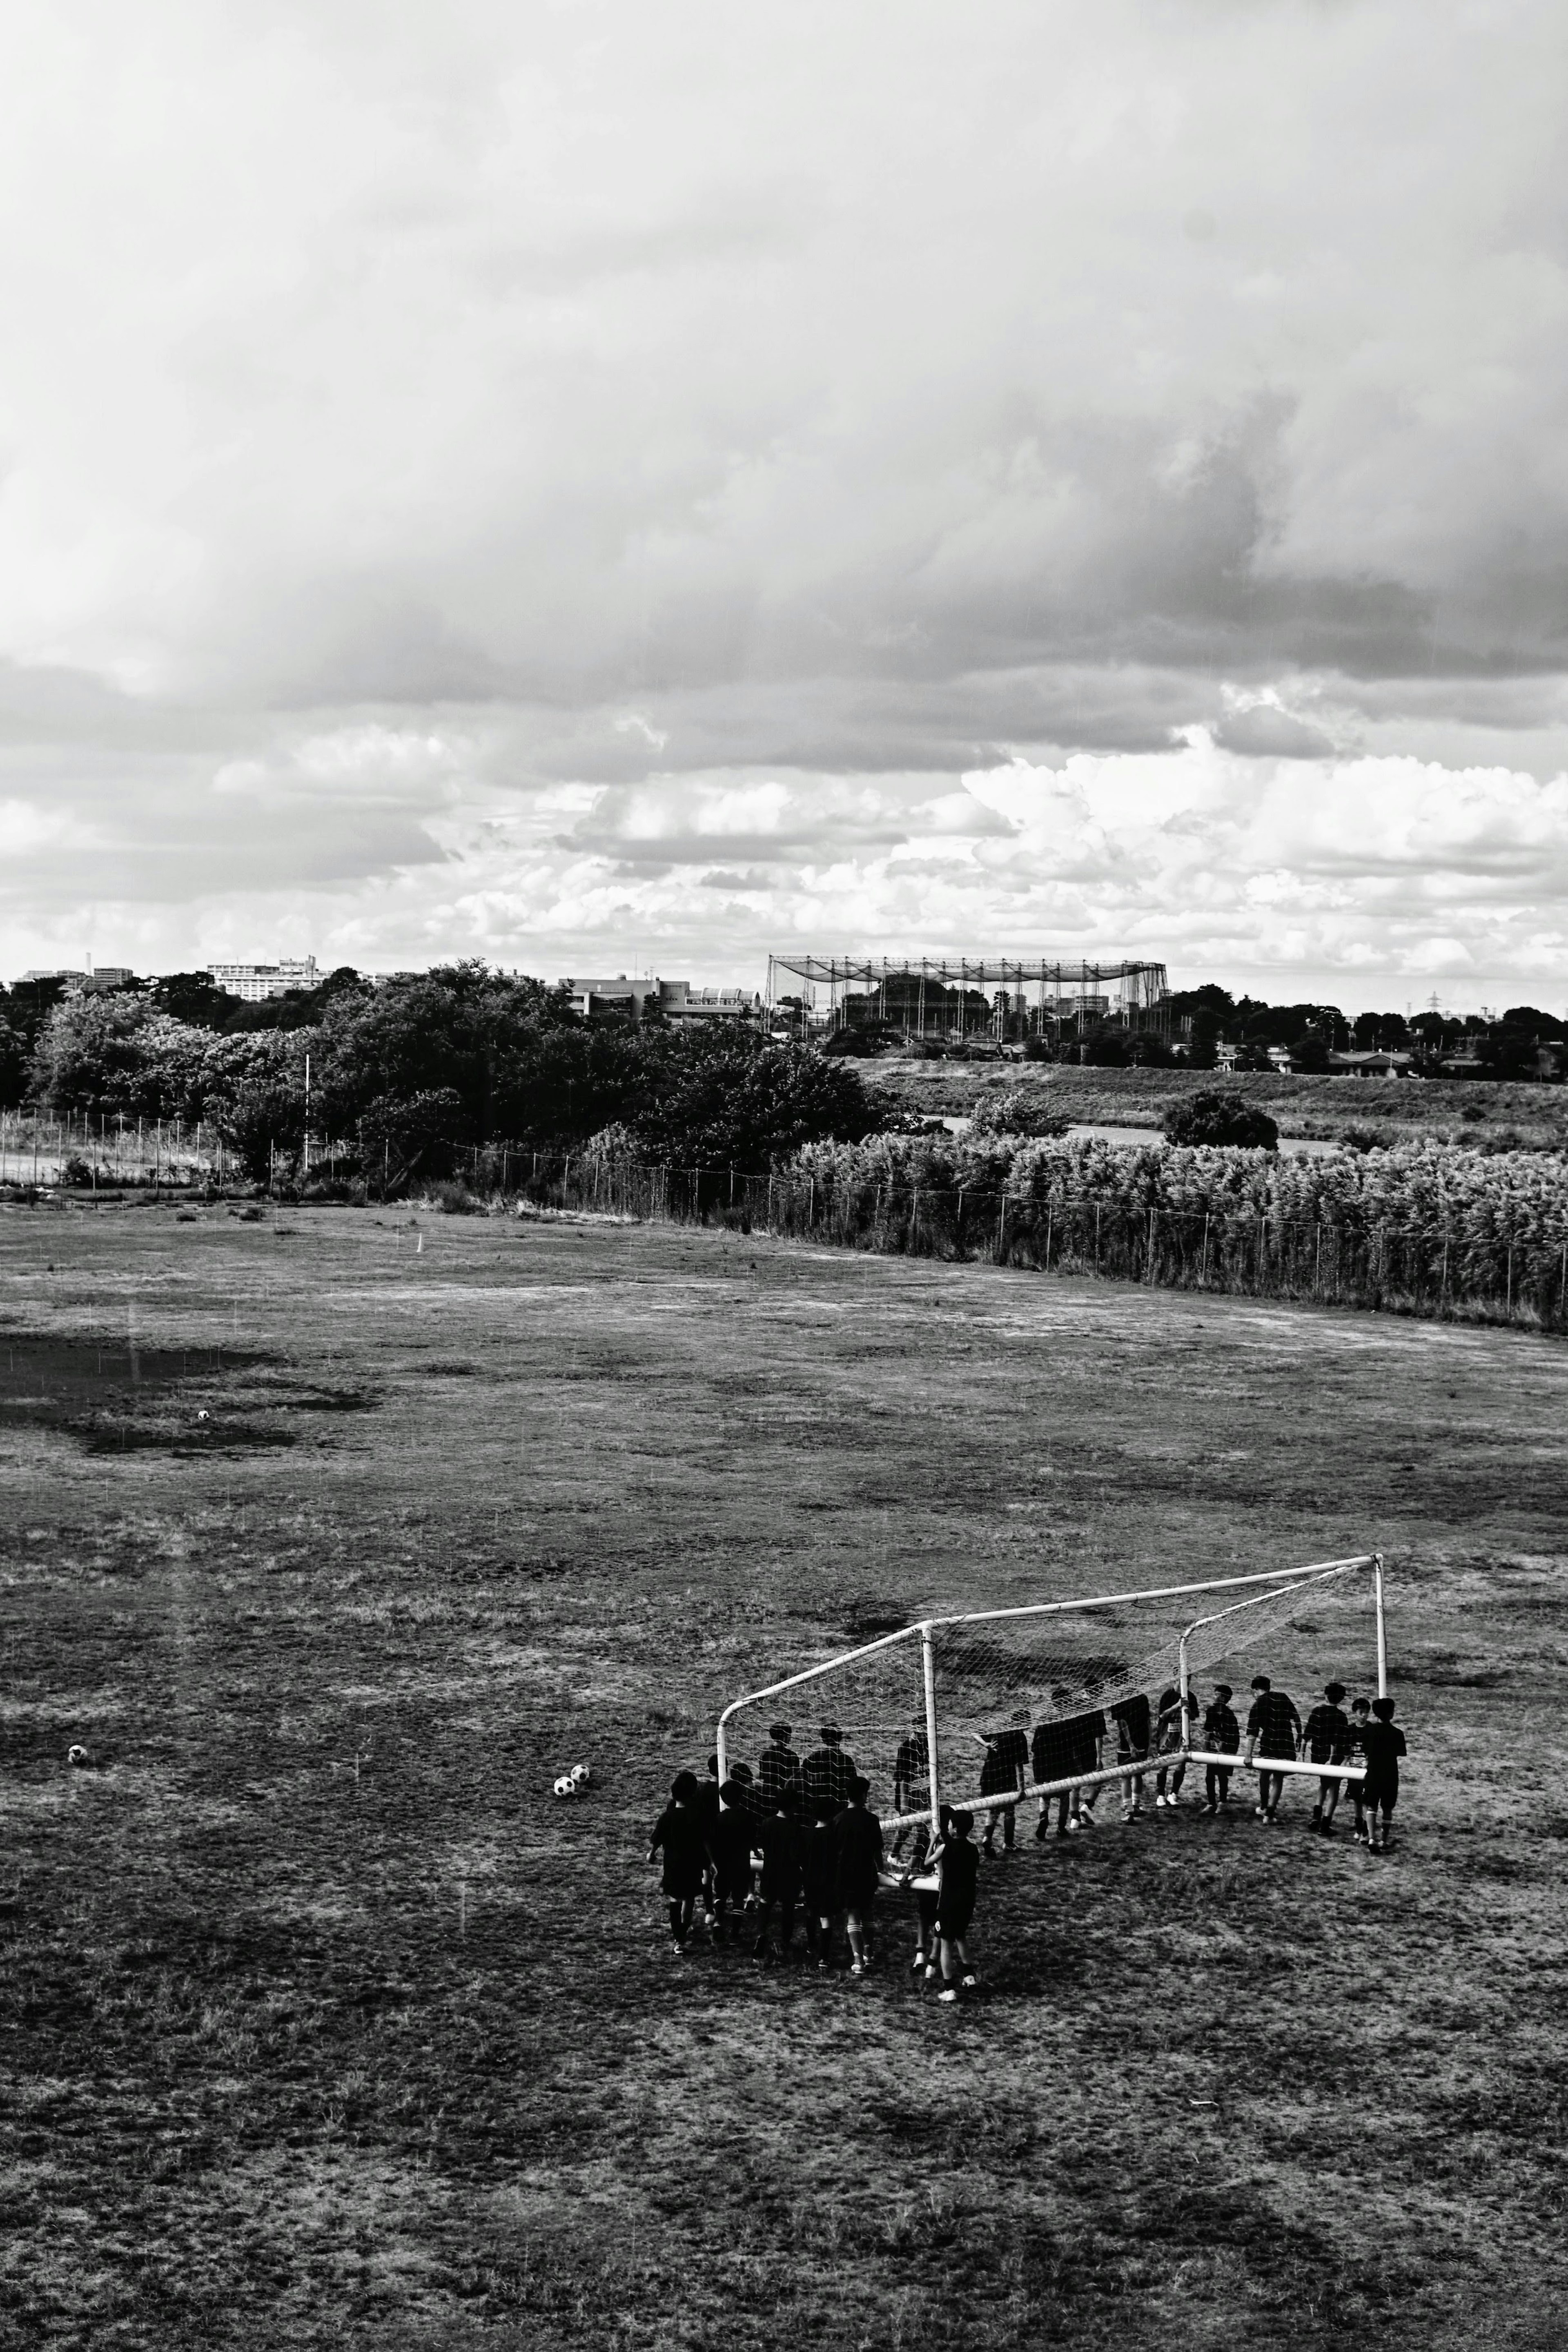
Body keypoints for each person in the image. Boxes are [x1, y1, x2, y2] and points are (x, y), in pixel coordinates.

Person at [648, 1770, 712, 1951]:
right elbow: (705, 1840)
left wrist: (651, 1853)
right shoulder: (697, 1816)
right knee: (689, 1898)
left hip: (673, 1865)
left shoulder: (667, 1817)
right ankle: (684, 1927)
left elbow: (657, 1839)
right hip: (692, 1863)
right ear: (693, 1794)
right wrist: (712, 1861)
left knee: (675, 1899)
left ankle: (679, 1939)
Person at [1031, 1690, 1105, 1840]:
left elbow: (1034, 1747)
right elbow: (1073, 1748)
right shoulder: (1068, 1722)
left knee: (1045, 1796)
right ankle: (1061, 1827)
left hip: (1044, 1766)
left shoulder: (1044, 1719)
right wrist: (1078, 1767)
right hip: (1062, 1765)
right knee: (1064, 1797)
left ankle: (1044, 1817)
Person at [833, 1775, 885, 1976]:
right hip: (867, 1873)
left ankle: (857, 1959)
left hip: (846, 1873)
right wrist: (880, 1870)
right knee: (868, 1911)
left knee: (853, 1914)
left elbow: (834, 1850)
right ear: (864, 1795)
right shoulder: (872, 1820)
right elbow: (877, 1850)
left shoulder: (838, 1820)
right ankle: (869, 1953)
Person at [934, 1809, 980, 2004]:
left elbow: (930, 1862)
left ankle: (949, 1989)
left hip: (948, 1901)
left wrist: (932, 1842)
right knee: (961, 1936)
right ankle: (970, 1977)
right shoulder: (974, 1849)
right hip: (967, 1901)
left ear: (953, 1828)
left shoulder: (946, 1848)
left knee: (946, 1943)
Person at [753, 1784, 804, 1961]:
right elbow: (796, 1854)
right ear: (793, 1807)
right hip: (789, 1875)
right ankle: (785, 1941)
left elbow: (764, 1846)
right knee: (788, 1909)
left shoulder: (767, 1823)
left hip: (770, 1871)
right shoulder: (795, 1827)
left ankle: (761, 1933)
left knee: (765, 1904)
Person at [1245, 1674, 1302, 1821]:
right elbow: (1297, 1718)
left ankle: (1264, 1807)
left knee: (1265, 1774)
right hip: (1286, 1743)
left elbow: (1252, 1733)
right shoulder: (1282, 1697)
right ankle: (1269, 1813)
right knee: (1278, 1777)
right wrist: (1299, 1737)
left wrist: (1248, 1755)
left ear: (1256, 1690)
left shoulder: (1258, 1704)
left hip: (1269, 1743)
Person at [900, 1809, 950, 1978]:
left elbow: (914, 1858)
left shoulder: (930, 1837)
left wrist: (906, 1876)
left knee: (925, 1917)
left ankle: (924, 1956)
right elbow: (916, 1856)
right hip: (937, 1885)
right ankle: (930, 1961)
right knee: (938, 1921)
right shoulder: (948, 1840)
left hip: (928, 1882)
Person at [709, 1777, 756, 1940]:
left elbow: (713, 1842)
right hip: (741, 1864)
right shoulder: (748, 1817)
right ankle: (735, 1935)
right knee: (738, 1899)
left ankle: (718, 1925)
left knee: (720, 1896)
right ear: (742, 1797)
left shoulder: (718, 1819)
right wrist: (756, 1852)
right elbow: (752, 1839)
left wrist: (714, 1862)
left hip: (723, 1864)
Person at [1359, 1695, 1408, 1853]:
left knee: (1371, 1807)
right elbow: (1401, 1753)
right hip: (1390, 1775)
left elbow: (1365, 1750)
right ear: (1391, 1714)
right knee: (1387, 1808)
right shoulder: (1397, 1733)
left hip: (1373, 1773)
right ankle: (1384, 1840)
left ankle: (1372, 1838)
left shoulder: (1369, 1731)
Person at [1302, 1681, 1351, 1834]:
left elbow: (1307, 1735)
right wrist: (1334, 1759)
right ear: (1341, 1698)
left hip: (1317, 1756)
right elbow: (1337, 1741)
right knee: (1334, 1789)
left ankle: (1316, 1818)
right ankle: (1325, 1824)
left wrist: (1302, 1754)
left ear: (1325, 1695)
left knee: (1323, 1785)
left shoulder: (1317, 1711)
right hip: (1333, 1758)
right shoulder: (1341, 1717)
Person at [978, 1714, 1029, 1855]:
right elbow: (1019, 1765)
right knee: (1009, 1811)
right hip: (1006, 1776)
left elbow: (974, 1732)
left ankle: (987, 1838)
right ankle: (1008, 1843)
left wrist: (986, 1745)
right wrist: (1022, 1788)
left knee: (993, 1810)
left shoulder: (1000, 1729)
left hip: (989, 1774)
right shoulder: (1020, 1737)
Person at [802, 1795, 838, 1967]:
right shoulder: (833, 1836)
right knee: (826, 1919)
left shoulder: (807, 1834)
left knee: (811, 1912)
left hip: (810, 1881)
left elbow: (801, 1860)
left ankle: (811, 1944)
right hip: (829, 1882)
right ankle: (824, 1957)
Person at [1110, 1689, 1152, 1820]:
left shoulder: (1119, 1699)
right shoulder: (1143, 1697)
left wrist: (1131, 1745)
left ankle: (1129, 1811)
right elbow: (1148, 1722)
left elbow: (1122, 1723)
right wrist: (1150, 1744)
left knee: (1126, 1777)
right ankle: (1135, 1806)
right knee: (1137, 1774)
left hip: (1126, 1746)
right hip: (1142, 1742)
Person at [1154, 1685, 1197, 1809]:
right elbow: (1162, 1716)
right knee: (1163, 1765)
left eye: (1189, 1680)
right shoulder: (1168, 1695)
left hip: (1182, 1736)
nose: (1187, 1682)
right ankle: (1161, 1795)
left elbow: (1195, 1716)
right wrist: (1177, 1706)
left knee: (1181, 1765)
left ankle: (1174, 1794)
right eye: (1184, 1679)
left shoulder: (1191, 1696)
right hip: (1166, 1736)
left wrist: (1190, 1713)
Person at [801, 1725, 858, 1820]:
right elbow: (853, 1788)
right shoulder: (846, 1761)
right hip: (839, 1811)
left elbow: (802, 1783)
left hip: (816, 1810)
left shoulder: (812, 1759)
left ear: (823, 1739)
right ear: (840, 1738)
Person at [890, 1721, 929, 1860]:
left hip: (923, 1792)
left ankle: (919, 1862)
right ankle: (894, 1855)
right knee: (906, 1828)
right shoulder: (905, 1748)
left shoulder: (927, 1745)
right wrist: (904, 1804)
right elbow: (902, 1778)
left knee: (923, 1830)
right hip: (908, 1794)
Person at [1200, 1685, 1240, 1813]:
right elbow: (1208, 1729)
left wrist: (1224, 1750)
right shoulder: (1211, 1711)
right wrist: (1206, 1747)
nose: (1215, 1696)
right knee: (1209, 1775)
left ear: (1224, 1698)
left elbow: (1231, 1736)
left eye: (1217, 1694)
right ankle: (1211, 1803)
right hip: (1213, 1747)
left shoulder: (1230, 1715)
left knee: (1223, 1775)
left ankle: (1223, 1802)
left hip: (1226, 1748)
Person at [1343, 1696, 1373, 1842]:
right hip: (1353, 1771)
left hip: (1366, 1772)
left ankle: (1366, 1831)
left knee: (1367, 1800)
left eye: (1367, 1712)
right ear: (1355, 1712)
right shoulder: (1350, 1730)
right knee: (1356, 1800)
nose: (1364, 1715)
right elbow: (1347, 1752)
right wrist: (1344, 1764)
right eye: (1361, 1712)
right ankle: (1359, 1827)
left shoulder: (1372, 1730)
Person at [757, 1722, 801, 1808]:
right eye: (789, 1736)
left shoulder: (764, 1754)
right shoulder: (792, 1756)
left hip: (767, 1796)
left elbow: (763, 1776)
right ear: (784, 1737)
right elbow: (794, 1780)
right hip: (785, 1797)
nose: (790, 1738)